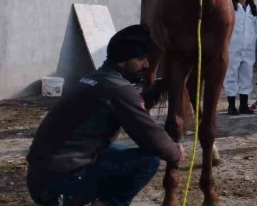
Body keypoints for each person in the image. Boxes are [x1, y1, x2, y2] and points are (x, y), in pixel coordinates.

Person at [25, 24, 185, 206]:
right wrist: (174, 152)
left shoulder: (97, 78)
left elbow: (132, 104)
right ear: (123, 61)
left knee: (117, 150)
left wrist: (162, 85)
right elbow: (151, 137)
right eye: (141, 59)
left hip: (41, 177)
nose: (146, 65)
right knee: (148, 161)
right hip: (58, 188)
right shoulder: (117, 90)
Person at [225, 0, 257, 115]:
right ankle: (231, 106)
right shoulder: (231, 7)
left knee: (246, 75)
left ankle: (243, 105)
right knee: (231, 75)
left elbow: (256, 29)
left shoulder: (254, 10)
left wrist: (252, 42)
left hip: (249, 48)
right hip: (233, 47)